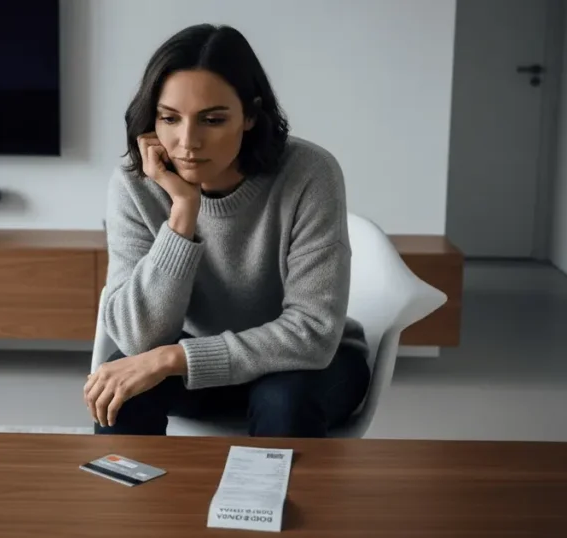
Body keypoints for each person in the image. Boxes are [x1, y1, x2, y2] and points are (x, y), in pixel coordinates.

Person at [83, 23, 370, 438]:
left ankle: (275, 505)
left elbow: (313, 332)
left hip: (304, 366)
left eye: (212, 120)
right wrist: (183, 212)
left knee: (283, 400)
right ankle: (135, 504)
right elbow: (136, 336)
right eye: (169, 118)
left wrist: (172, 359)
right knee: (122, 389)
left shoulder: (309, 173)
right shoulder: (135, 182)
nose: (187, 142)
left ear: (250, 115)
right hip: (196, 366)